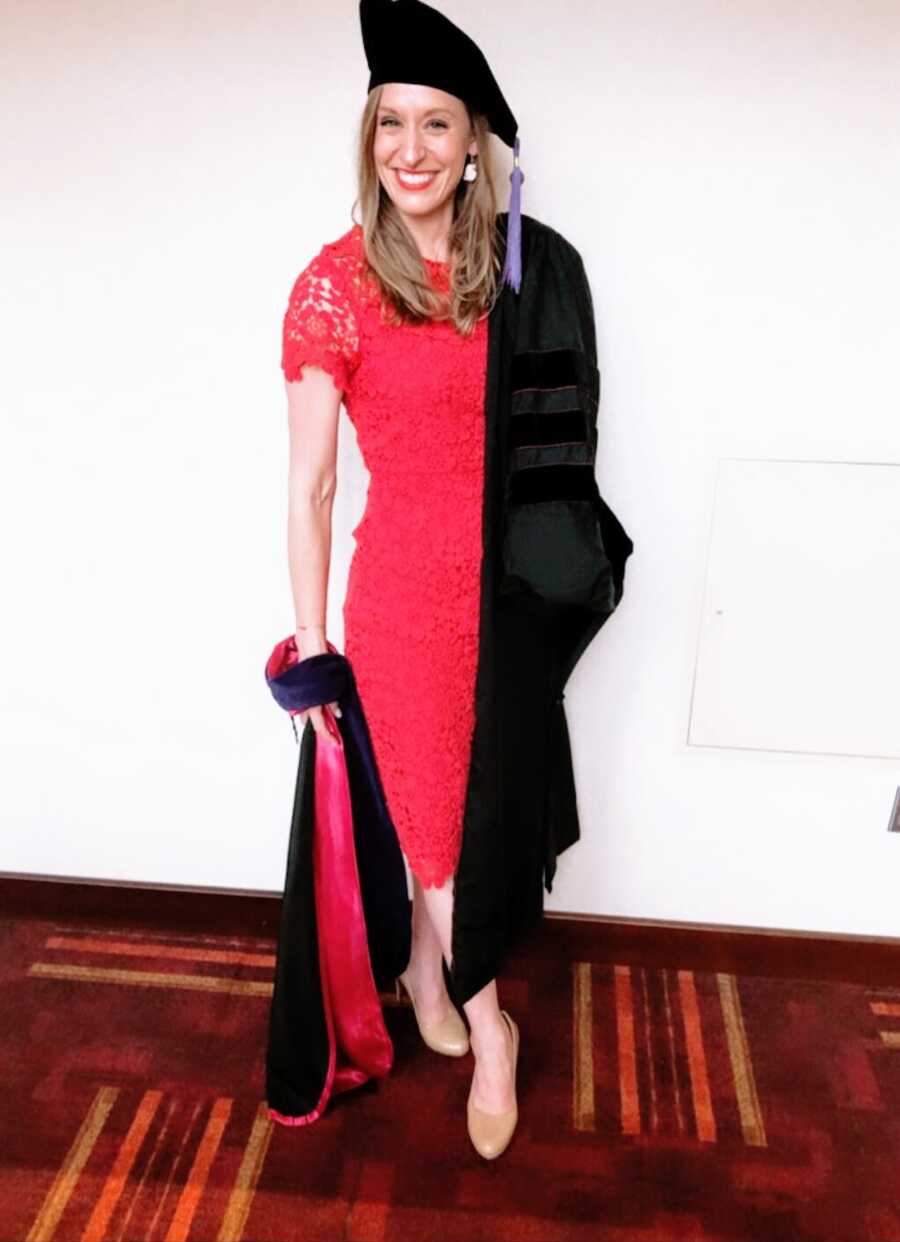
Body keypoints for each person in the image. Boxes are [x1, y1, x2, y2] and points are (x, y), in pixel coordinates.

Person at [276, 0, 634, 1161]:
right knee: (433, 834)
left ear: (475, 141)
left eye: (438, 126)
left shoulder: (518, 274)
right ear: (368, 140)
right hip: (406, 608)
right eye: (392, 126)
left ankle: (431, 980)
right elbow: (315, 483)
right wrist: (309, 643)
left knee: (488, 813)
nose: (413, 151)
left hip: (513, 598)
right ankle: (492, 1032)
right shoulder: (334, 285)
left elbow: (559, 446)